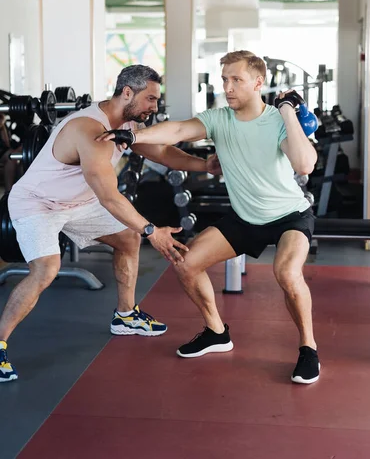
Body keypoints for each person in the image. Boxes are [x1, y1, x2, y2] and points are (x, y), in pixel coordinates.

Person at [100, 51, 319, 384]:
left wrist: (287, 110)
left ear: (258, 82)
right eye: (224, 80)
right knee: (186, 263)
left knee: (287, 272)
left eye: (236, 80)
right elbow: (178, 130)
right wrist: (134, 136)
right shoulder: (219, 119)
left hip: (289, 216)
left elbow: (304, 165)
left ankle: (308, 348)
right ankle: (217, 332)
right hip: (245, 217)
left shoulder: (277, 119)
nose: (228, 87)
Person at [0, 65, 220, 383]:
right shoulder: (88, 129)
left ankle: (126, 315)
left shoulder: (126, 125)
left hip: (79, 202)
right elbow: (110, 198)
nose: (154, 107)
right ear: (127, 93)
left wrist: (205, 166)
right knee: (46, 269)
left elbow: (162, 153)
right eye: (150, 99)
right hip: (39, 204)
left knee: (127, 238)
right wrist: (152, 231)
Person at [0, 115, 22, 193]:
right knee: (11, 156)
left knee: (22, 155)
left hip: (4, 151)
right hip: (3, 152)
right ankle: (8, 192)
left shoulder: (2, 120)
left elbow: (7, 143)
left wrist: (2, 126)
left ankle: (20, 189)